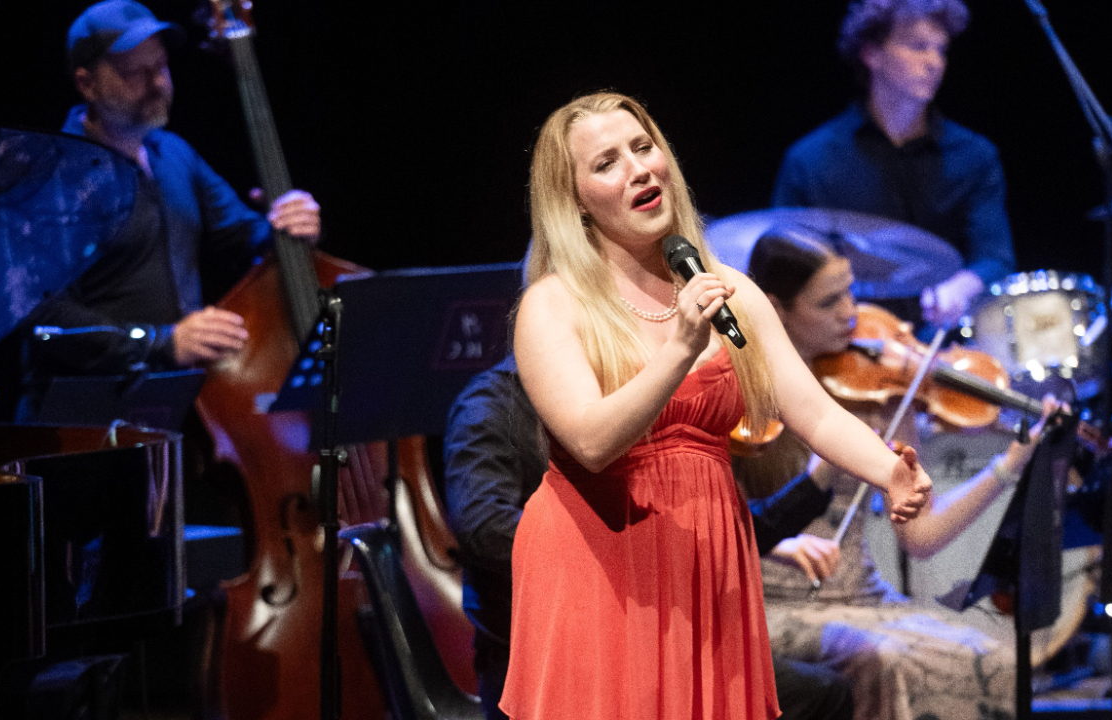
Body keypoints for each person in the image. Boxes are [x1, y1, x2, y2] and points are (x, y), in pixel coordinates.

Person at [501, 91, 931, 720]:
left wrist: (887, 470)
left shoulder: (733, 293)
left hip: (705, 554)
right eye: (607, 163)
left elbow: (815, 412)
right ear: (575, 203)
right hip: (598, 555)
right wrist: (679, 349)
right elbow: (590, 442)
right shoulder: (554, 305)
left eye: (644, 148)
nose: (639, 169)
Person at [741, 227, 1059, 720]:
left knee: (999, 661)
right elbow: (732, 523)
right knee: (881, 660)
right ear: (775, 308)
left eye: (851, 292)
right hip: (771, 602)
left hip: (868, 598)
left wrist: (1008, 464)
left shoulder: (880, 394)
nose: (850, 312)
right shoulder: (743, 397)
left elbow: (922, 536)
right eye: (828, 302)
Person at [444, 353, 851, 720]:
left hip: (652, 650)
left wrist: (814, 482)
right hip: (550, 661)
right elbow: (483, 529)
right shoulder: (491, 406)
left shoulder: (624, 393)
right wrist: (618, 553)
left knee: (822, 695)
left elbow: (698, 539)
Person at [19, 0, 320, 416]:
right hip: (84, 420)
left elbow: (243, 237)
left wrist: (288, 224)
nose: (156, 82)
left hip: (172, 406)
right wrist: (160, 341)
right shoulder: (48, 176)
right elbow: (42, 318)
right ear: (87, 84)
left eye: (160, 66)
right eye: (134, 73)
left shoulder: (173, 154)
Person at [772, 0, 1015, 329]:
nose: (934, 62)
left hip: (945, 344)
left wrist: (962, 286)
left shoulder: (974, 154)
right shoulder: (811, 160)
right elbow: (784, 271)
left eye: (940, 50)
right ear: (871, 54)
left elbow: (996, 257)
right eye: (918, 47)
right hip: (847, 342)